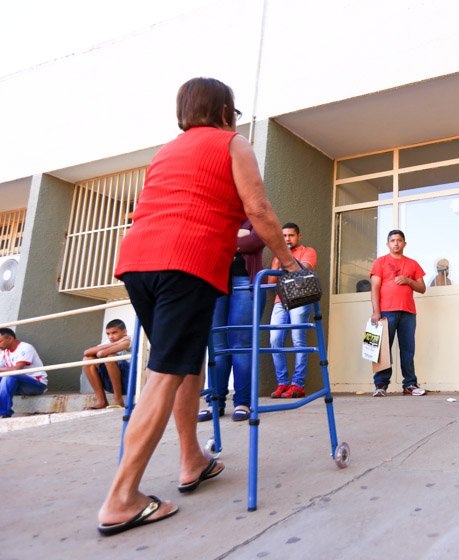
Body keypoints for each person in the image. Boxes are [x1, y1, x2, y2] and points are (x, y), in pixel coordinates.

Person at [96, 77, 300, 536]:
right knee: (164, 373)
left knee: (186, 365)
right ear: (225, 109)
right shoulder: (233, 143)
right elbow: (261, 210)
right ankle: (122, 497)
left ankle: (192, 459)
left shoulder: (166, 151)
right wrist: (288, 264)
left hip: (138, 262)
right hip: (185, 263)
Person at [197, 220, 266, 423]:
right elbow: (205, 244)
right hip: (216, 283)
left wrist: (224, 242)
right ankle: (214, 403)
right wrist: (238, 239)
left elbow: (256, 241)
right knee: (217, 347)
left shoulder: (254, 217)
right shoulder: (218, 215)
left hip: (245, 282)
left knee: (240, 345)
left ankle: (243, 402)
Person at [370, 229, 427, 397]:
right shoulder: (380, 262)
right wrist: (376, 312)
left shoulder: (413, 264)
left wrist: (408, 280)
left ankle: (409, 384)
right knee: (382, 349)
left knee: (408, 349)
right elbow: (374, 287)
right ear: (388, 244)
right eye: (392, 240)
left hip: (408, 312)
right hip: (386, 311)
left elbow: (422, 288)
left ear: (404, 243)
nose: (396, 243)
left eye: (399, 240)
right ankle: (380, 385)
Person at [267, 222, 317, 399]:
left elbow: (304, 270)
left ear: (298, 236)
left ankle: (298, 384)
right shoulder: (276, 257)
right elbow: (271, 283)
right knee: (274, 340)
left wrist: (287, 259)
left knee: (298, 339)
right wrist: (278, 262)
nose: (287, 239)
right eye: (284, 236)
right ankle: (283, 383)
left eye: (291, 235)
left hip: (300, 299)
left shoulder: (308, 251)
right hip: (280, 301)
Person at [82, 319, 131, 409]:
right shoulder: (111, 342)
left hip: (130, 380)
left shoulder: (128, 340)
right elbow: (86, 352)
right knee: (87, 359)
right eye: (108, 334)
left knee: (110, 356)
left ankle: (118, 400)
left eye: (114, 333)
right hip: (112, 381)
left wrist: (117, 343)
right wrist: (116, 342)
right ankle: (102, 401)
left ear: (124, 332)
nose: (110, 337)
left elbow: (101, 354)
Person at [0, 328, 47, 418]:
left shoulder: (25, 347)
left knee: (9, 376)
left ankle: (4, 413)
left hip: (36, 385)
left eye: (0, 341)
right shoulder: (4, 352)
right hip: (16, 385)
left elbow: (17, 369)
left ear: (10, 338)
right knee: (7, 377)